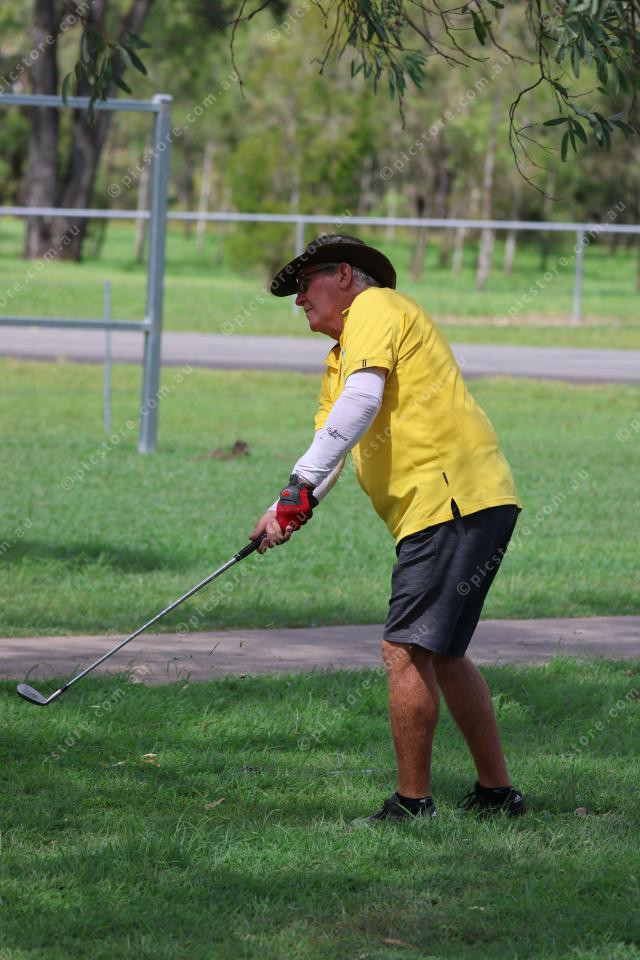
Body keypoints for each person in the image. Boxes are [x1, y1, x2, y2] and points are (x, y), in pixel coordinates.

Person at [250, 234, 526, 823]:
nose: (299, 299)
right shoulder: (342, 356)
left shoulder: (375, 307)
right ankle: (498, 796)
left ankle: (412, 803)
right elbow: (336, 443)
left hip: (449, 501)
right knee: (443, 652)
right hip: (463, 503)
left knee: (404, 650)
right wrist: (285, 507)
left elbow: (362, 402)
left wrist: (299, 484)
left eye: (306, 283)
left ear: (344, 275)